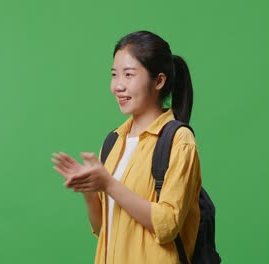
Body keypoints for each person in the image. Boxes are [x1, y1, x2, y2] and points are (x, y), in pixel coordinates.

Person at [51, 30, 201, 264]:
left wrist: (109, 184)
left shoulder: (178, 140)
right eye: (114, 75)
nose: (118, 86)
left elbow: (167, 224)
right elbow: (104, 229)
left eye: (129, 75)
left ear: (159, 81)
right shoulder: (114, 141)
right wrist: (90, 191)